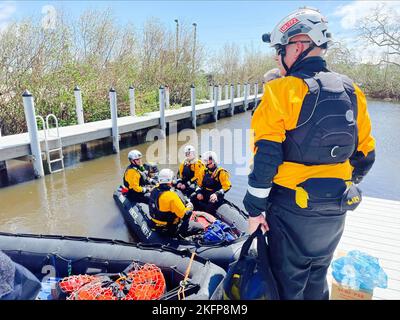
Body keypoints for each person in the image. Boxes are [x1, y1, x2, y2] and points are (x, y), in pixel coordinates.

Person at [243, 7, 375, 300]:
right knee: (317, 278)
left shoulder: (281, 91)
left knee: (286, 285)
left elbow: (266, 157)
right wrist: (335, 183)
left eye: (280, 50)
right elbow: (366, 154)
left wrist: (254, 210)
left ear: (298, 46)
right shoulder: (352, 90)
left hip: (291, 209)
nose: (278, 57)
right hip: (336, 208)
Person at [148, 168, 203, 237]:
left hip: (155, 222)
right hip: (168, 227)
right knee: (200, 226)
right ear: (170, 180)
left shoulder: (154, 189)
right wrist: (190, 206)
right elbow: (185, 215)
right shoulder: (172, 196)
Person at [192, 151, 232, 215]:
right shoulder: (204, 171)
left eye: (206, 161)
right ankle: (194, 214)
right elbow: (197, 184)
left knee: (210, 206)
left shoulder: (221, 172)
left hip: (215, 195)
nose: (205, 163)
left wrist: (216, 194)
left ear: (212, 162)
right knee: (193, 198)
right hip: (205, 192)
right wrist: (198, 193)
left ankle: (210, 219)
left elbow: (227, 186)